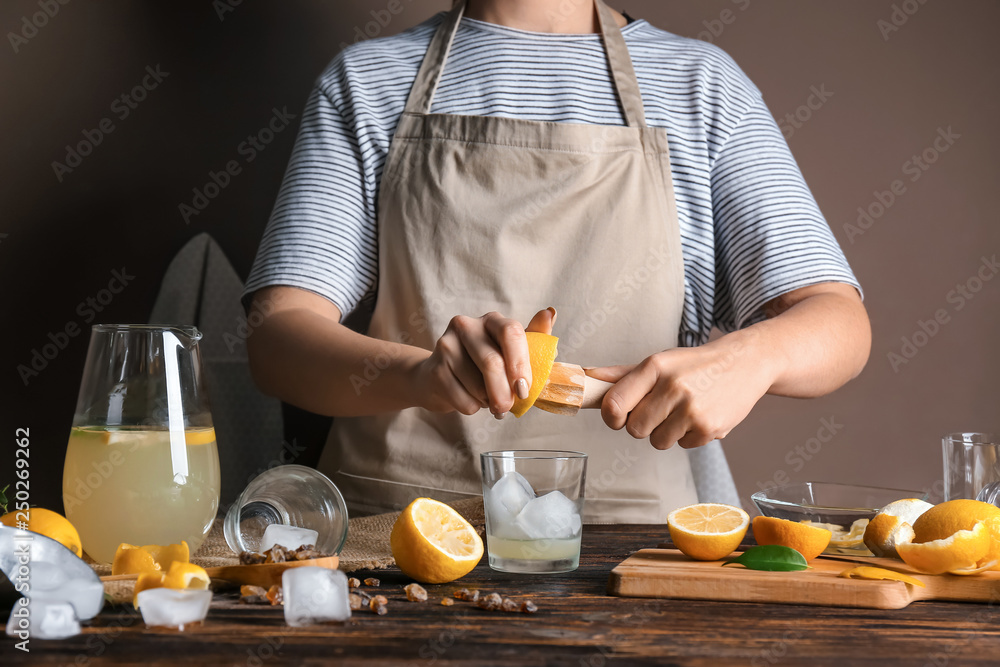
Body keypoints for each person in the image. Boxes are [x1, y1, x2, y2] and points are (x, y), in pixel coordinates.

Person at [242, 0, 871, 521]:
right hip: (397, 538)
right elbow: (275, 340)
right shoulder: (367, 80)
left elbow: (838, 322)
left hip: (635, 546)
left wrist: (752, 356)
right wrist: (419, 376)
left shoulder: (700, 85)